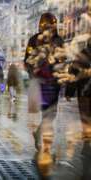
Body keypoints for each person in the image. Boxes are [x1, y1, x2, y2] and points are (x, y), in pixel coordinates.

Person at [24, 13, 65, 151]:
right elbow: (27, 60)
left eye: (50, 24)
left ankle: (40, 135)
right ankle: (45, 143)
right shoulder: (34, 40)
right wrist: (33, 72)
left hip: (53, 82)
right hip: (41, 81)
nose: (47, 26)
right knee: (48, 113)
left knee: (51, 114)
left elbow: (62, 59)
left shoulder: (58, 40)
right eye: (45, 24)